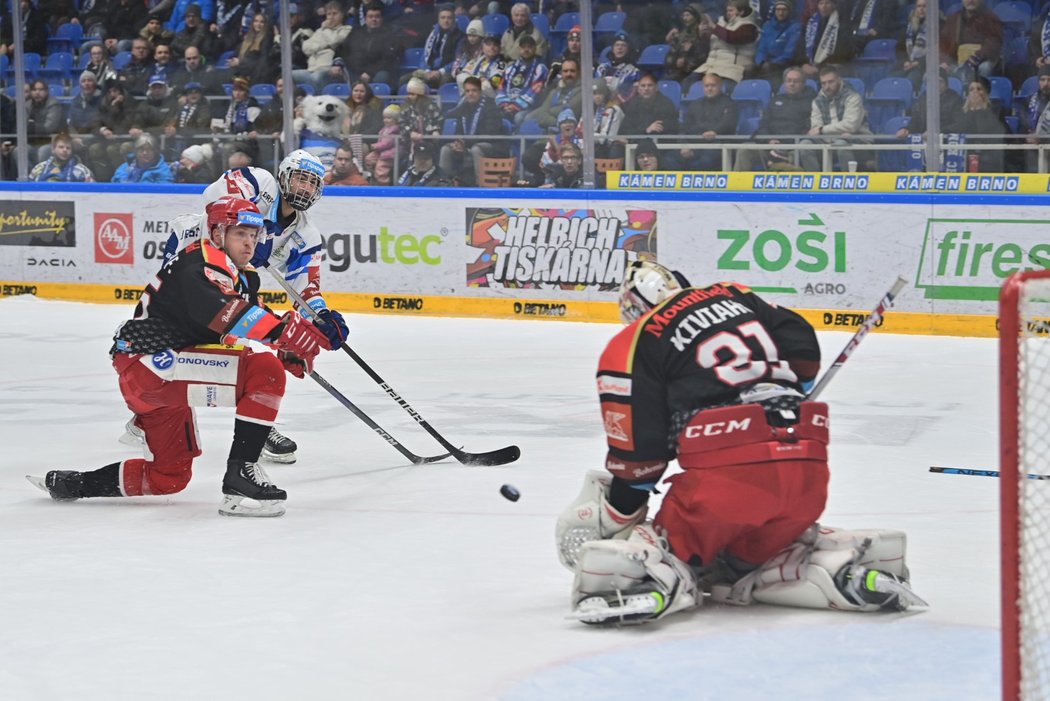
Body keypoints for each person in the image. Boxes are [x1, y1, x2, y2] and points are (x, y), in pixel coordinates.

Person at [554, 260, 927, 625]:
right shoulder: (735, 296)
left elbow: (639, 458)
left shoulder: (634, 341)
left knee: (672, 546)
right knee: (746, 559)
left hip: (726, 483)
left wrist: (621, 508)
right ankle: (839, 567)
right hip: (808, 471)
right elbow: (801, 344)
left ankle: (647, 579)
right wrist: (784, 393)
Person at [27, 197, 332, 519]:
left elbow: (245, 318)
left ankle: (73, 484)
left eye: (254, 235)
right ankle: (241, 474)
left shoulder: (239, 274)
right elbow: (226, 314)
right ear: (217, 233)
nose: (250, 242)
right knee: (264, 370)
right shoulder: (199, 262)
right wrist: (283, 335)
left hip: (158, 373)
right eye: (241, 233)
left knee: (168, 477)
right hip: (151, 364)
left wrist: (285, 346)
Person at [736, 65, 816, 171]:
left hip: (794, 147)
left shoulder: (811, 102)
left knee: (799, 151)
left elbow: (809, 127)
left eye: (796, 81)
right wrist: (768, 140)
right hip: (771, 146)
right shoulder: (775, 101)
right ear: (784, 83)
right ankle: (738, 185)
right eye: (789, 81)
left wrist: (790, 144)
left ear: (803, 83)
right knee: (745, 149)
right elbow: (763, 124)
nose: (792, 84)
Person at [799, 65, 872, 171]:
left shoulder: (853, 97)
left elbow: (850, 126)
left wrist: (822, 130)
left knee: (840, 144)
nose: (827, 86)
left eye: (831, 82)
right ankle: (816, 182)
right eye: (824, 83)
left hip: (857, 141)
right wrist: (822, 131)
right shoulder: (817, 101)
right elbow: (815, 127)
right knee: (805, 145)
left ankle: (848, 183)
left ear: (838, 80)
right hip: (827, 142)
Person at [439, 75, 507, 186]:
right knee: (446, 149)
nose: (470, 94)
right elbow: (458, 130)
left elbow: (490, 133)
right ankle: (445, 184)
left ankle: (479, 185)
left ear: (480, 91)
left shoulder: (491, 106)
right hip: (469, 144)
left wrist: (465, 143)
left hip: (493, 146)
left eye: (474, 90)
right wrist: (458, 142)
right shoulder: (463, 107)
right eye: (467, 91)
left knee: (476, 149)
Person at [691, 0, 760, 87]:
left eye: (731, 10)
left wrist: (714, 27)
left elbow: (732, 37)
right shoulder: (721, 24)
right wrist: (702, 35)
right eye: (727, 10)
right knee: (688, 82)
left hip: (733, 69)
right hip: (711, 67)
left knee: (719, 87)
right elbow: (710, 46)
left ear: (741, 11)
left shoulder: (750, 27)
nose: (728, 13)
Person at [679, 72, 738, 170]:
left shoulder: (730, 104)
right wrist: (684, 144)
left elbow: (728, 125)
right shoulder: (695, 104)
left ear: (720, 86)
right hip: (696, 144)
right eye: (707, 86)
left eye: (713, 85)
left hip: (718, 145)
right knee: (672, 157)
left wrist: (715, 131)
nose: (709, 88)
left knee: (706, 160)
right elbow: (685, 127)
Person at [495, 33, 549, 126]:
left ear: (535, 48)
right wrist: (504, 103)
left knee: (518, 117)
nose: (526, 50)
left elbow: (535, 90)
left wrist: (516, 106)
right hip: (507, 104)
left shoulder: (540, 68)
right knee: (493, 114)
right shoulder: (510, 67)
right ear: (519, 49)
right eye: (523, 47)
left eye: (529, 47)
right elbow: (501, 86)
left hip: (528, 107)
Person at [752, 0, 801, 86]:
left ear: (789, 11)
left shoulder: (795, 27)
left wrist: (773, 62)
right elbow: (761, 49)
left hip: (784, 64)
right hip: (767, 62)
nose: (781, 13)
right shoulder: (767, 26)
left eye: (784, 10)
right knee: (750, 69)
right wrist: (760, 62)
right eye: (778, 10)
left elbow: (789, 52)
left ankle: (772, 94)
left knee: (767, 67)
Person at [29, 133, 96, 182]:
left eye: (68, 148)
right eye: (61, 147)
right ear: (53, 149)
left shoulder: (82, 171)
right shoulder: (39, 169)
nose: (65, 150)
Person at [111, 133, 175, 182]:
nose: (145, 153)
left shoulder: (163, 169)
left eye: (149, 150)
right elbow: (115, 184)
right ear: (136, 151)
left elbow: (164, 191)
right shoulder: (125, 167)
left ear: (155, 152)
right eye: (141, 150)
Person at [365, 103, 401, 185]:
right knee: (369, 159)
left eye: (389, 118)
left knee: (381, 167)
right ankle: (373, 175)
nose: (386, 120)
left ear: (396, 119)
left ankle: (383, 182)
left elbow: (387, 143)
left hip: (390, 153)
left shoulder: (394, 130)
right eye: (384, 118)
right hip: (380, 151)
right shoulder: (385, 128)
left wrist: (375, 146)